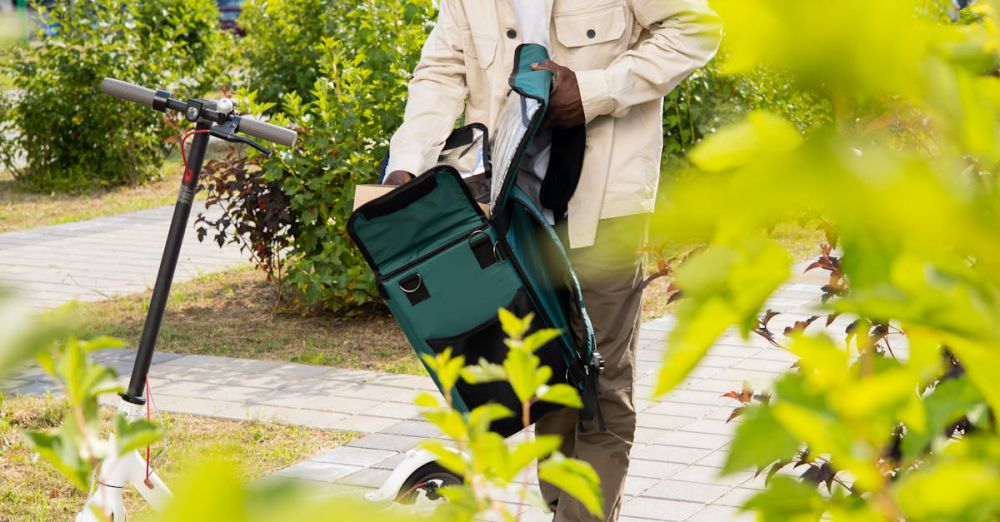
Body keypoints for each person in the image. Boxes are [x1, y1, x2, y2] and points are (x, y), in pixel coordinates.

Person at [384, 1, 721, 520]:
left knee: (601, 388)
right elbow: (442, 68)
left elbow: (696, 29)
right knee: (552, 379)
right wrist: (407, 164)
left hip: (606, 207)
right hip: (509, 209)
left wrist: (594, 91)